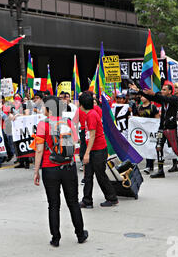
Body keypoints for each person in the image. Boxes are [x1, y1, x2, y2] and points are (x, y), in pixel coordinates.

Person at [33, 95, 88, 247]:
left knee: (53, 204)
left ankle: (55, 238)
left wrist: (36, 171)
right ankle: (80, 234)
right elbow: (75, 142)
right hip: (68, 168)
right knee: (73, 203)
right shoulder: (68, 122)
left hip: (50, 168)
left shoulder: (42, 125)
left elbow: (39, 150)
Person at [129, 82, 178, 178]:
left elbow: (162, 98)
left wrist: (154, 94)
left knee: (175, 149)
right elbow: (152, 98)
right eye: (162, 89)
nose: (162, 91)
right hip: (162, 128)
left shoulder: (173, 99)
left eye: (164, 90)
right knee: (158, 146)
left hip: (171, 128)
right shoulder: (163, 100)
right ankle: (160, 170)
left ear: (170, 91)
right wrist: (139, 91)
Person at [79, 92, 119, 208]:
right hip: (93, 149)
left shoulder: (91, 115)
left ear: (82, 105)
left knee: (100, 175)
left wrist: (86, 153)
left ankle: (112, 198)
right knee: (88, 176)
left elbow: (92, 136)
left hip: (98, 150)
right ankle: (87, 200)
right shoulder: (90, 113)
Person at [136, 95, 160, 174]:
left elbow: (157, 119)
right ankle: (150, 165)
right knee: (146, 148)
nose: (142, 98)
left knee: (150, 147)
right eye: (141, 97)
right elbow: (137, 118)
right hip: (143, 131)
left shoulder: (152, 107)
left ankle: (149, 165)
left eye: (143, 96)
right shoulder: (139, 107)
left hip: (152, 131)